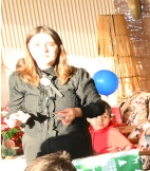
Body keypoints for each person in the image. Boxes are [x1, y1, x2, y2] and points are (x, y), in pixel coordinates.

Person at [7, 26, 104, 161]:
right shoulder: (18, 78)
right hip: (36, 146)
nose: (44, 50)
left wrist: (77, 112)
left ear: (58, 47)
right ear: (28, 48)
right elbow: (14, 111)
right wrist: (14, 119)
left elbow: (98, 107)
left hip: (73, 144)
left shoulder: (77, 75)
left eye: (50, 44)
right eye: (37, 45)